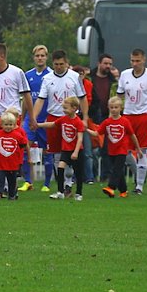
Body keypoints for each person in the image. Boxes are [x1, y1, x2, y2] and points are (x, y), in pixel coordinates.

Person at [0, 43, 34, 195]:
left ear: (2, 56)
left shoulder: (17, 72)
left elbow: (26, 95)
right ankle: (1, 186)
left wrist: (31, 118)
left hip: (12, 118)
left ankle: (14, 184)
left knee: (13, 152)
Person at [32, 50, 88, 194]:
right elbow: (40, 100)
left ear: (66, 62)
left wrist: (85, 118)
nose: (58, 67)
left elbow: (82, 98)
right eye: (56, 64)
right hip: (54, 118)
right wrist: (34, 117)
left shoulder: (74, 77)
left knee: (70, 152)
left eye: (61, 64)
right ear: (53, 63)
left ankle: (69, 183)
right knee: (56, 153)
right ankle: (62, 186)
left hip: (72, 119)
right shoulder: (47, 78)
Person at [116, 48, 147, 195]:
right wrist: (115, 115)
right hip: (128, 116)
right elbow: (119, 96)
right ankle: (138, 176)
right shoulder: (124, 75)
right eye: (132, 60)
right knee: (124, 150)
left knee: (142, 149)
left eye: (138, 61)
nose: (135, 64)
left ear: (144, 60)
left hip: (145, 116)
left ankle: (139, 186)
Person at [89, 97, 139, 198]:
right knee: (118, 171)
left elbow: (132, 135)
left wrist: (137, 147)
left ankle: (111, 187)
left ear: (121, 108)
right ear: (108, 108)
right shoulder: (107, 122)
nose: (114, 110)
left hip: (122, 150)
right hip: (111, 151)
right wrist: (85, 129)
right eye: (112, 107)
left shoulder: (125, 121)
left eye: (116, 107)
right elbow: (96, 133)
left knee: (116, 169)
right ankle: (123, 191)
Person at [40, 96, 86, 200]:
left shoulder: (78, 122)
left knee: (78, 173)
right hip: (65, 150)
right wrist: (38, 125)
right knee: (60, 168)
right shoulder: (63, 119)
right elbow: (52, 124)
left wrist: (76, 152)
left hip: (76, 151)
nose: (64, 110)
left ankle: (79, 193)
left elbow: (79, 139)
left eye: (66, 108)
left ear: (74, 108)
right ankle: (60, 191)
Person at [24, 45, 54, 193]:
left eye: (42, 55)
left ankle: (47, 183)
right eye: (37, 55)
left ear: (46, 57)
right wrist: (23, 117)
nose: (40, 58)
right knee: (24, 146)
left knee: (47, 152)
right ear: (34, 57)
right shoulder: (27, 75)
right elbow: (26, 98)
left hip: (45, 119)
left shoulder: (51, 75)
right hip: (30, 118)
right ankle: (28, 181)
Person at [0, 110, 30, 201]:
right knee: (1, 179)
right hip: (1, 162)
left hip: (13, 162)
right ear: (1, 124)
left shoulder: (17, 135)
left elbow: (23, 143)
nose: (8, 127)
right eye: (6, 124)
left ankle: (12, 194)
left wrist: (19, 154)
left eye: (11, 125)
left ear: (14, 125)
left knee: (12, 180)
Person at [90, 53, 117, 182]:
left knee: (107, 148)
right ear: (99, 63)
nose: (108, 66)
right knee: (93, 149)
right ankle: (91, 175)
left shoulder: (113, 81)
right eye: (105, 63)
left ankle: (106, 175)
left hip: (108, 116)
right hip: (93, 115)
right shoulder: (91, 78)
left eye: (110, 64)